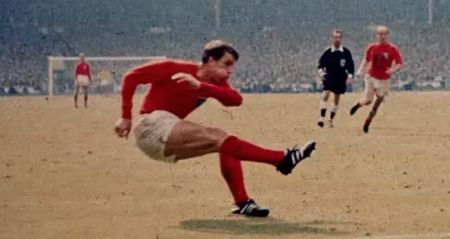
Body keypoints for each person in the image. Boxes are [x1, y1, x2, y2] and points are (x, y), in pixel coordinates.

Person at [113, 40, 316, 217]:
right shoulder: (176, 68)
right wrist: (125, 116)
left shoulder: (216, 82)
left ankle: (243, 202)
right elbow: (131, 77)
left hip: (165, 138)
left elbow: (235, 100)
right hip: (152, 125)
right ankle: (282, 159)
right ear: (210, 61)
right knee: (220, 137)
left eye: (232, 66)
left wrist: (200, 87)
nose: (230, 70)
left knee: (225, 142)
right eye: (226, 64)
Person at [349, 26, 403, 133]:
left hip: (384, 80)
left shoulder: (392, 49)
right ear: (376, 35)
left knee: (378, 101)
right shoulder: (372, 47)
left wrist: (393, 70)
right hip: (371, 77)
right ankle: (357, 105)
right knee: (368, 100)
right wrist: (360, 70)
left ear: (387, 35)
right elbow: (366, 60)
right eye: (379, 34)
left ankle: (368, 121)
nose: (382, 36)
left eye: (384, 34)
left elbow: (400, 63)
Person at [316, 30, 355, 128]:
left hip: (341, 77)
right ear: (332, 38)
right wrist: (321, 73)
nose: (337, 39)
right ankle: (321, 118)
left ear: (341, 39)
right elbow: (320, 64)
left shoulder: (346, 52)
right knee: (326, 94)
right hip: (329, 76)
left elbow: (351, 66)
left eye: (339, 37)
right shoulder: (328, 52)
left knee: (336, 99)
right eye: (335, 37)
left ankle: (331, 120)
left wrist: (350, 77)